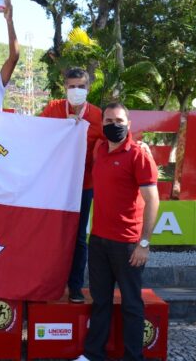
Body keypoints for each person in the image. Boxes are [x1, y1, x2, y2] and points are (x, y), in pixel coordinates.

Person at [75, 102, 160, 361]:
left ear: (129, 124)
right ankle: (93, 355)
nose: (115, 125)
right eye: (109, 121)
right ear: (102, 125)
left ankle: (134, 357)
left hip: (128, 245)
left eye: (120, 121)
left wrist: (144, 243)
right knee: (100, 302)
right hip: (99, 240)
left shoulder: (139, 154)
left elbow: (153, 200)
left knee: (131, 305)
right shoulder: (100, 148)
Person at [40, 68, 103, 303]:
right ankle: (47, 284)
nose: (76, 91)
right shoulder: (53, 109)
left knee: (78, 238)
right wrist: (61, 128)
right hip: (54, 184)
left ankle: (75, 286)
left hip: (83, 186)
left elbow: (108, 147)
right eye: (72, 86)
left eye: (81, 86)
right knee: (51, 234)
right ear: (64, 87)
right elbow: (37, 136)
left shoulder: (97, 115)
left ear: (88, 88)